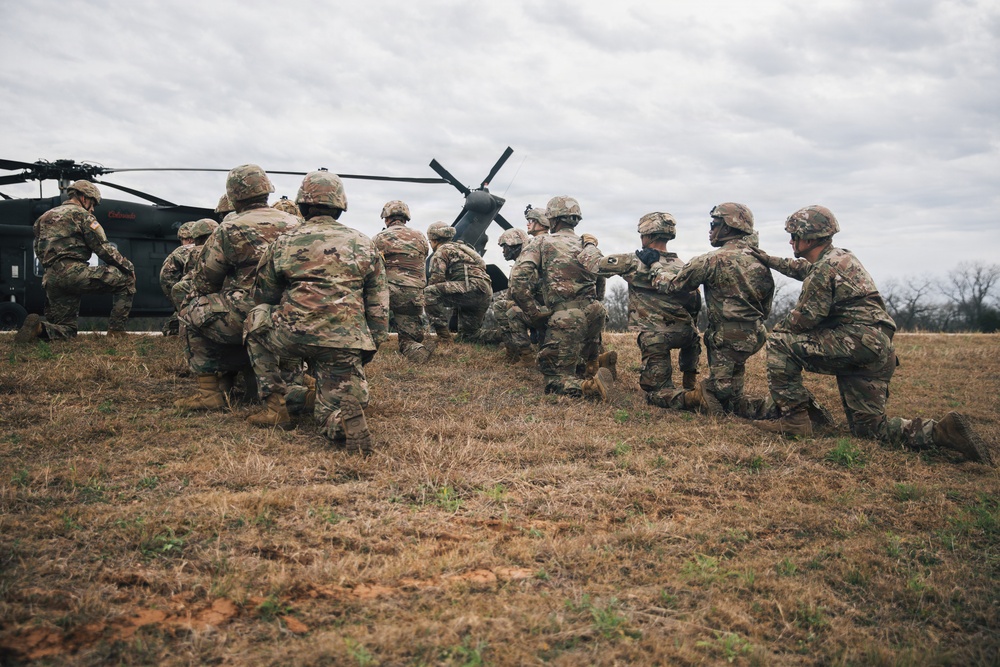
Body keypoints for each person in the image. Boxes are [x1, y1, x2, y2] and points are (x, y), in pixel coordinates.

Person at [749, 206, 993, 465]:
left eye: (794, 236)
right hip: (877, 349)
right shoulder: (842, 258)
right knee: (869, 429)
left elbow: (805, 318)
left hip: (854, 343)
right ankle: (943, 431)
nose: (790, 241)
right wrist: (768, 259)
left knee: (779, 343)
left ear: (808, 239)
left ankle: (796, 419)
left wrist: (775, 331)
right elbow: (802, 269)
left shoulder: (822, 270)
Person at [244, 171, 388, 453]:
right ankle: (337, 419)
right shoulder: (364, 243)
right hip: (345, 340)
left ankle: (276, 406)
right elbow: (378, 306)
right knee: (337, 402)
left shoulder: (284, 242)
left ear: (303, 205)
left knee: (256, 317)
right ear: (340, 206)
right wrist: (366, 349)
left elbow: (263, 296)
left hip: (292, 336)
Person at [173, 164, 299, 411]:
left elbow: (204, 281)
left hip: (251, 314)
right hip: (295, 313)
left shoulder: (230, 228)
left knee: (190, 306)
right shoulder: (296, 222)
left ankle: (209, 391)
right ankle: (296, 384)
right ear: (267, 191)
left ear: (233, 196)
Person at [652, 203, 773, 415]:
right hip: (755, 334)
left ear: (727, 227)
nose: (710, 230)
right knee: (733, 397)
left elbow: (672, 286)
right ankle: (782, 408)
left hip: (727, 340)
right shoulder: (761, 259)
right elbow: (766, 305)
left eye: (714, 224)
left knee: (717, 396)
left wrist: (655, 266)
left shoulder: (711, 260)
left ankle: (787, 407)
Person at [581, 212, 701, 406]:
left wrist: (589, 244)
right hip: (687, 335)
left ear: (648, 235)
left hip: (656, 338)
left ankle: (694, 398)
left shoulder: (634, 261)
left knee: (655, 393)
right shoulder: (682, 266)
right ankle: (690, 384)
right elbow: (696, 303)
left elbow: (593, 265)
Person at [509, 196, 612, 399]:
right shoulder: (587, 245)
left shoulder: (541, 242)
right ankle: (594, 365)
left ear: (552, 219)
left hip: (566, 317)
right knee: (575, 360)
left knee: (555, 379)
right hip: (595, 313)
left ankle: (590, 387)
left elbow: (518, 281)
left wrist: (533, 312)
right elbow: (600, 277)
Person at [16, 180, 135, 343]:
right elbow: (103, 248)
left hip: (50, 278)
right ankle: (116, 332)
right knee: (126, 280)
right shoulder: (83, 216)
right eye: (93, 203)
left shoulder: (43, 218)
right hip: (73, 274)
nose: (93, 209)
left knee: (67, 330)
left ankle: (39, 328)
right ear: (84, 197)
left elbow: (38, 248)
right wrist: (128, 267)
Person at [373, 200, 434, 363]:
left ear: (386, 218)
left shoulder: (379, 238)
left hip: (386, 294)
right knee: (409, 339)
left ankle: (369, 342)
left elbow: (372, 264)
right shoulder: (421, 237)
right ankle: (415, 350)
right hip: (414, 296)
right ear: (406, 218)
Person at [424, 221, 493, 342]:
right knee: (470, 336)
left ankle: (444, 338)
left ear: (434, 239)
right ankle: (505, 335)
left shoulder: (441, 251)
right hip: (485, 291)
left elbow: (436, 280)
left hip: (470, 288)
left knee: (429, 293)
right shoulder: (464, 248)